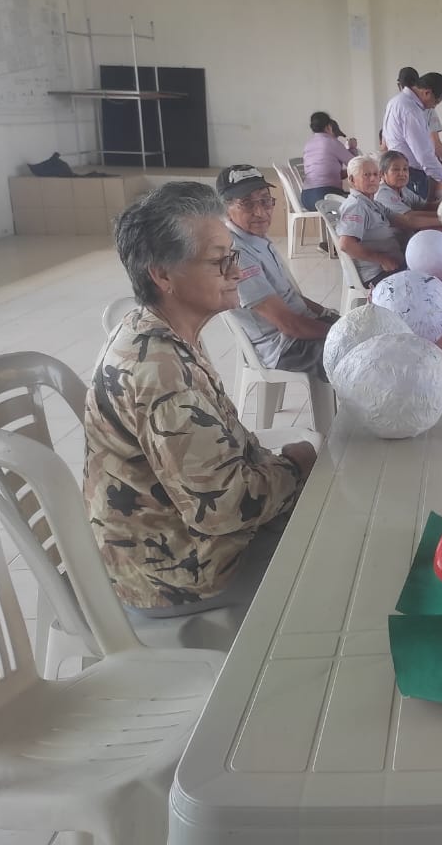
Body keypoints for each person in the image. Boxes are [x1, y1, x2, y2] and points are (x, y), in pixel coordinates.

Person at [85, 182, 316, 617]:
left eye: (234, 255)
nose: (237, 271)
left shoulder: (161, 328)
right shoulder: (159, 372)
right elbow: (225, 510)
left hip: (181, 535)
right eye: (218, 261)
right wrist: (297, 464)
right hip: (179, 569)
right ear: (162, 275)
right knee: (336, 546)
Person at [218, 165, 337, 380]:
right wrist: (341, 334)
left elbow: (290, 296)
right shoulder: (236, 254)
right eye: (247, 203)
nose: (260, 212)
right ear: (225, 209)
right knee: (363, 359)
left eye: (265, 201)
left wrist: (328, 314)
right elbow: (289, 325)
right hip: (285, 346)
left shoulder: (255, 238)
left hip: (298, 330)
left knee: (372, 335)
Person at [337, 152, 441, 286]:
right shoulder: (356, 206)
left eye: (375, 174)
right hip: (376, 274)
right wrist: (382, 259)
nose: (373, 179)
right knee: (432, 277)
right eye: (366, 175)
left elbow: (403, 220)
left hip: (394, 265)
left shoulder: (373, 203)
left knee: (432, 264)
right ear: (352, 180)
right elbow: (346, 245)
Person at [382, 68, 442, 200]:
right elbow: (424, 155)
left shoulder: (395, 101)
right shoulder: (411, 110)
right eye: (436, 102)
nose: (434, 107)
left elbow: (384, 142)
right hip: (411, 175)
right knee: (416, 210)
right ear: (427, 92)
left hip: (397, 171)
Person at [300, 111, 358, 211]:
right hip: (326, 196)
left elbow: (329, 173)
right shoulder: (332, 142)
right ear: (329, 127)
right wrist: (353, 149)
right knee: (359, 201)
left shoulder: (308, 144)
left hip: (307, 198)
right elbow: (356, 164)